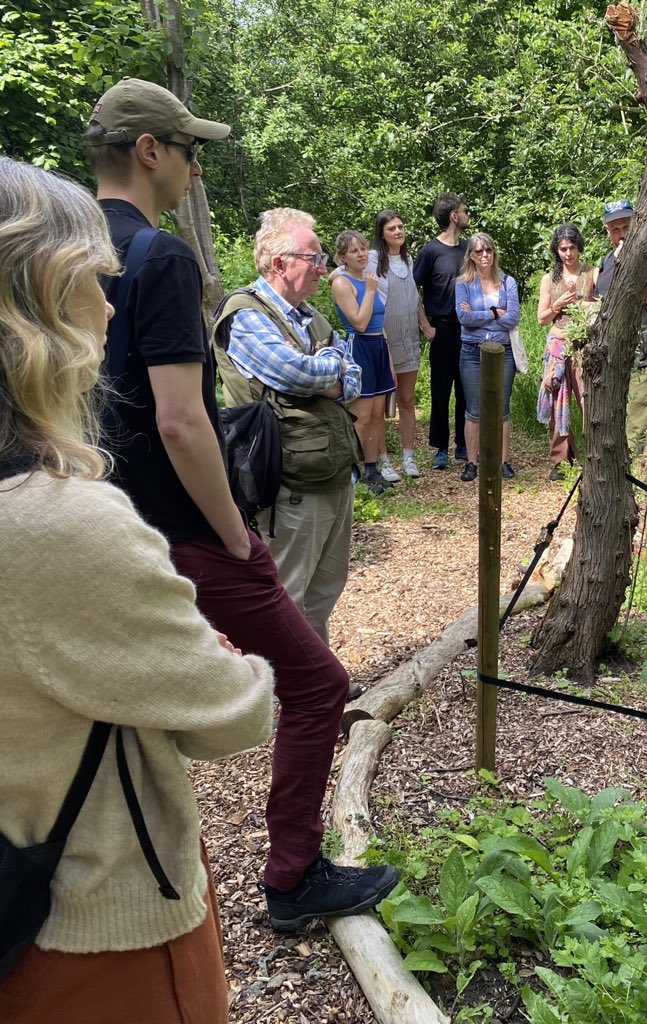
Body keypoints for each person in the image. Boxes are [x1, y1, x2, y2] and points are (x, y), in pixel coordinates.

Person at [83, 76, 398, 931]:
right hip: (171, 525)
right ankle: (292, 878)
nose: (194, 170)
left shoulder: (60, 243)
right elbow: (183, 424)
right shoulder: (162, 256)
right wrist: (235, 539)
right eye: (189, 152)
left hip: (82, 521)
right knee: (317, 680)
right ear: (150, 151)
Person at [0, 157, 275, 1023]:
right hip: (92, 931)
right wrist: (222, 639)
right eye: (93, 282)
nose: (111, 309)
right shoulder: (59, 524)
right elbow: (233, 712)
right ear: (39, 301)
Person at [213, 207, 362, 644]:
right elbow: (294, 373)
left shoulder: (308, 315)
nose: (324, 268)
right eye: (314, 258)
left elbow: (354, 379)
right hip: (290, 482)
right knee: (287, 593)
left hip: (333, 471)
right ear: (280, 264)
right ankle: (287, 693)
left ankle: (318, 679)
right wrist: (330, 369)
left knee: (325, 588)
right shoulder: (244, 314)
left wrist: (329, 371)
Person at [592, 198, 647, 453]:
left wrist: (629, 261)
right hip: (610, 357)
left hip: (640, 356)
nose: (622, 234)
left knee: (636, 429)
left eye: (626, 227)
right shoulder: (605, 261)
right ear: (607, 231)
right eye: (615, 229)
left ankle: (637, 479)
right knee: (610, 426)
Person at [368, 209, 435, 478]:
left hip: (408, 337)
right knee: (382, 403)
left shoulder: (407, 260)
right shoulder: (373, 260)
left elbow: (414, 299)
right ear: (382, 234)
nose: (398, 232)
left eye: (400, 227)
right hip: (384, 339)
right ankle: (383, 460)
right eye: (391, 228)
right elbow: (367, 297)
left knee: (407, 400)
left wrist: (425, 325)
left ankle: (409, 457)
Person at [331, 230, 397, 493]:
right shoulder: (342, 283)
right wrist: (370, 291)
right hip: (359, 347)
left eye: (362, 249)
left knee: (378, 415)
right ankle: (352, 473)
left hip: (379, 346)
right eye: (353, 250)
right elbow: (359, 322)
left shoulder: (367, 278)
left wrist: (389, 357)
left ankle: (372, 469)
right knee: (362, 415)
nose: (360, 254)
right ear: (342, 256)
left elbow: (380, 324)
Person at [455, 232, 521, 482]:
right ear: (471, 255)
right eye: (478, 251)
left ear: (494, 253)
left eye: (488, 250)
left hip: (503, 352)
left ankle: (503, 461)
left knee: (502, 407)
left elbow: (513, 317)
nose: (484, 255)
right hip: (472, 352)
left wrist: (479, 314)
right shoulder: (462, 283)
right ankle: (472, 462)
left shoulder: (507, 281)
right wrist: (494, 314)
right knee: (474, 409)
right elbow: (463, 319)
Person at [414, 193, 470, 469]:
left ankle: (463, 444)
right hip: (442, 330)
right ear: (453, 216)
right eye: (464, 210)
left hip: (468, 330)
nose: (467, 214)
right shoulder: (430, 251)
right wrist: (426, 326)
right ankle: (440, 448)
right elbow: (411, 290)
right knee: (440, 390)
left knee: (466, 389)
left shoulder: (469, 249)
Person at [536, 223, 593, 481]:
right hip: (558, 346)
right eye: (562, 249)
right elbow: (541, 318)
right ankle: (560, 460)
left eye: (571, 248)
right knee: (558, 401)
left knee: (586, 399)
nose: (568, 254)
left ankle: (592, 455)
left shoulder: (591, 273)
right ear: (556, 251)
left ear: (578, 247)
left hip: (584, 346)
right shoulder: (550, 279)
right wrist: (558, 304)